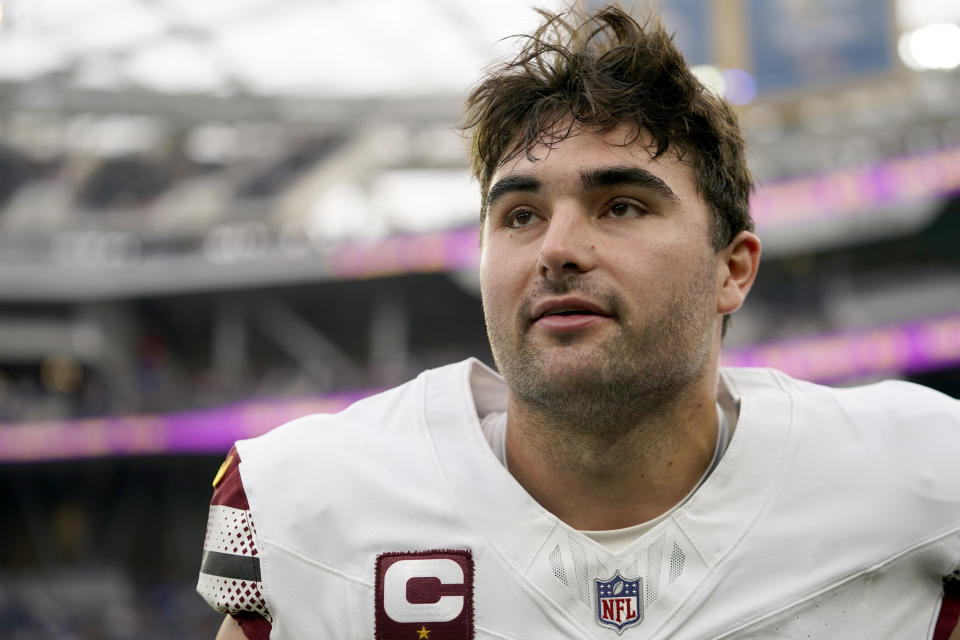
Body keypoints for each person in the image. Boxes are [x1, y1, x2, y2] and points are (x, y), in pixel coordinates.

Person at [197, 5, 960, 639]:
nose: (557, 249)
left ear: (733, 269)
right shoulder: (313, 500)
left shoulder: (920, 481)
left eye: (620, 205)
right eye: (521, 214)